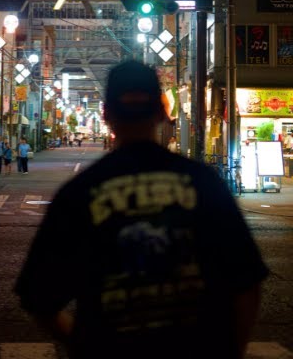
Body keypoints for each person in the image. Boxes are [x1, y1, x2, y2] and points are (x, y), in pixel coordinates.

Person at [15, 61, 268, 359]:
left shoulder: (79, 193)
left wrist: (87, 346)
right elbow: (247, 282)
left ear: (106, 115)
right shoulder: (203, 182)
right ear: (162, 112)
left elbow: (39, 299)